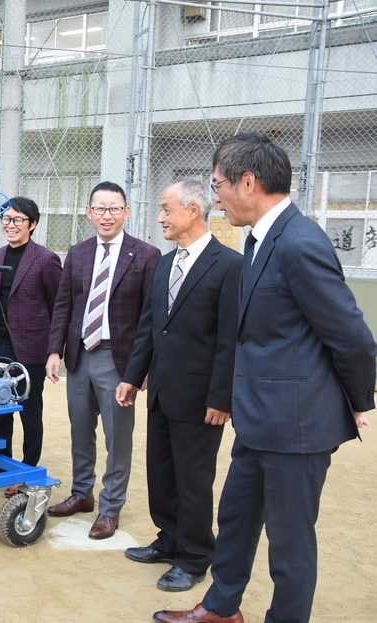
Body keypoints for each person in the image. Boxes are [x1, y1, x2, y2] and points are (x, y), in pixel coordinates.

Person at [154, 134, 377, 623]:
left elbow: (353, 337)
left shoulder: (299, 242)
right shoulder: (259, 240)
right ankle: (220, 608)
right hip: (258, 419)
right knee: (235, 519)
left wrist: (359, 400)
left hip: (296, 427)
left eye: (218, 186)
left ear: (247, 183)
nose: (215, 197)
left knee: (290, 542)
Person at [115, 180, 240, 592]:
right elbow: (150, 329)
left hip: (203, 399)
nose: (161, 217)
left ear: (193, 210)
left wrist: (222, 397)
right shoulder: (165, 265)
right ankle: (169, 540)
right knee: (162, 474)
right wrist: (133, 378)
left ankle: (195, 556)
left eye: (167, 209)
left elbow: (229, 339)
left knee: (193, 480)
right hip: (164, 394)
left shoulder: (229, 266)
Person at [44, 181, 161, 539]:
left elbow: (150, 316)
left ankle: (111, 508)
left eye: (114, 208)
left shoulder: (146, 255)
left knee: (117, 437)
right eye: (100, 208)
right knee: (81, 431)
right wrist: (54, 351)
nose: (106, 215)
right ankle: (82, 494)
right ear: (88, 212)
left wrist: (143, 368)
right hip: (80, 355)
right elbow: (64, 305)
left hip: (119, 359)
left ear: (126, 212)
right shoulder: (77, 253)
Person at [0, 197, 61, 496]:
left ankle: (28, 468)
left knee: (29, 410)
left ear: (33, 224)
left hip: (31, 347)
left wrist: (55, 350)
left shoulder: (46, 259)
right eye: (6, 219)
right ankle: (2, 464)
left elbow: (59, 307)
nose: (10, 224)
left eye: (18, 219)